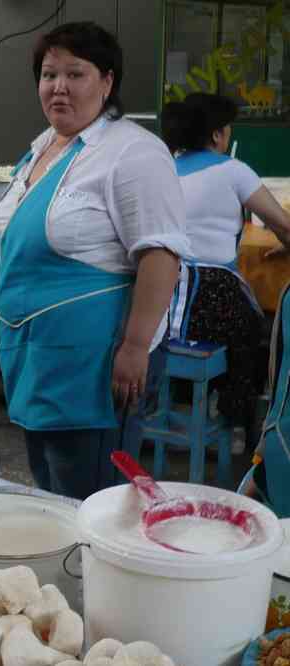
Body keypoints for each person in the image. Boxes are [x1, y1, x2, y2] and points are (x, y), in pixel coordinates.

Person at [0, 22, 188, 501]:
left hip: (93, 361)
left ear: (107, 82)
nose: (59, 86)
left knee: (90, 498)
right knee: (50, 487)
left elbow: (160, 254)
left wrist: (135, 346)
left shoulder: (132, 152)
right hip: (34, 353)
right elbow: (18, 247)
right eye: (49, 74)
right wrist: (0, 316)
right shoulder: (43, 149)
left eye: (75, 74)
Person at [161, 92, 290, 451]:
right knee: (256, 332)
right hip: (211, 293)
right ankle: (237, 423)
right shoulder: (233, 170)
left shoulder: (163, 169)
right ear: (218, 134)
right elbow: (283, 225)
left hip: (160, 296)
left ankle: (180, 407)